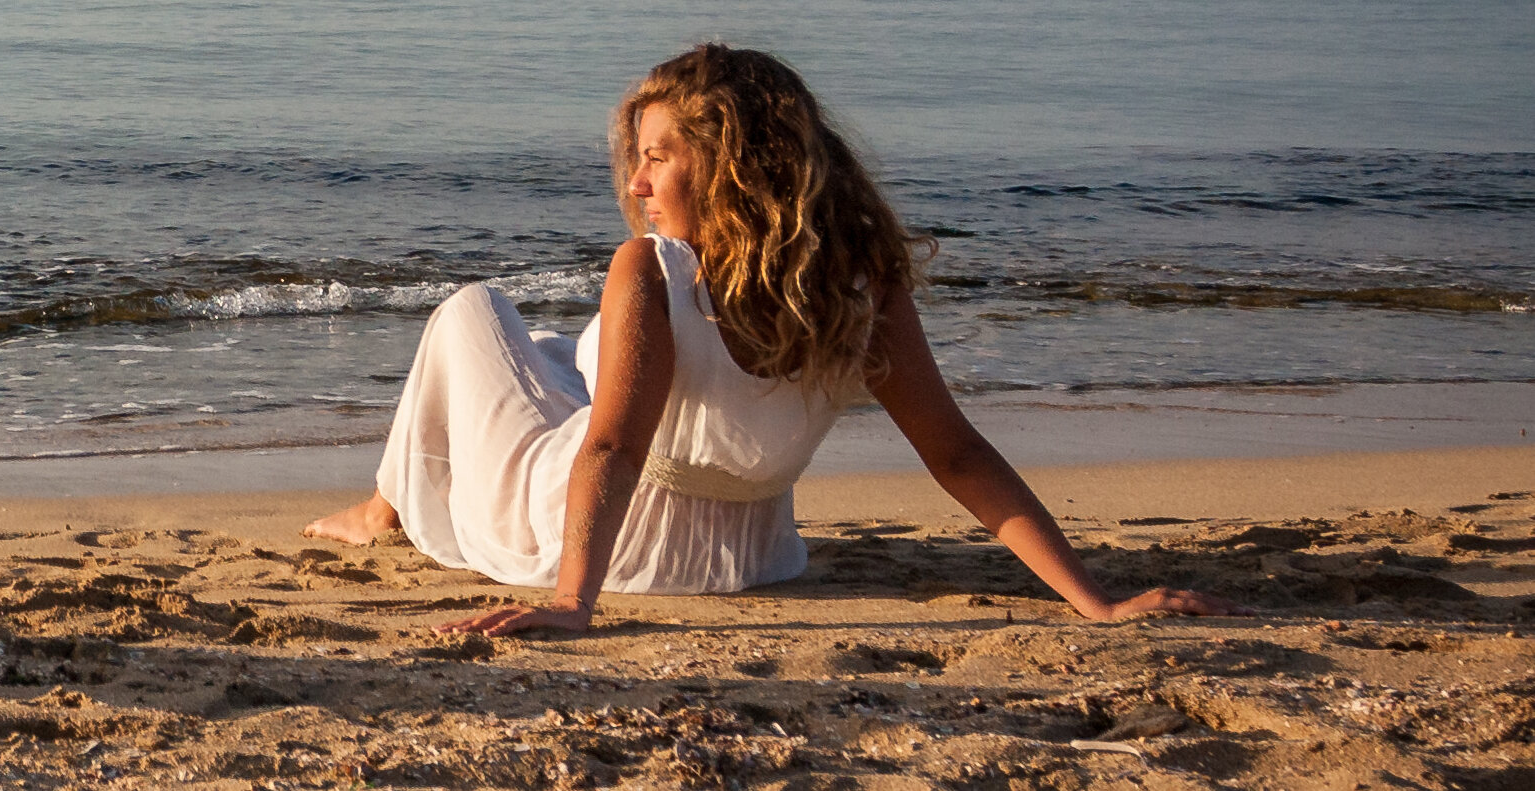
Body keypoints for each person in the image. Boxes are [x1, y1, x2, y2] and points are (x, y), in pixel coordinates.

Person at [301, 45, 1244, 634]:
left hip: (599, 547)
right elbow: (955, 450)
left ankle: (385, 504)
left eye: (658, 156)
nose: (636, 181)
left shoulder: (650, 269)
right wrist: (1096, 600)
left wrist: (572, 601)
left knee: (471, 310)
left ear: (731, 162)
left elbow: (616, 445)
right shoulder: (857, 283)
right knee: (559, 351)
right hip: (752, 557)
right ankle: (397, 490)